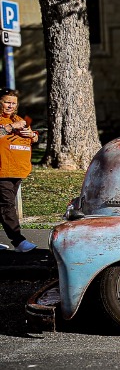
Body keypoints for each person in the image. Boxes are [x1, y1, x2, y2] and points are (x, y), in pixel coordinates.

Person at [0, 89, 40, 252]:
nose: (10, 106)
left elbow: (33, 138)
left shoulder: (19, 119)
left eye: (13, 103)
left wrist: (32, 135)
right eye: (7, 102)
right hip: (2, 171)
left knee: (3, 206)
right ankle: (18, 241)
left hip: (18, 170)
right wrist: (10, 127)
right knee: (7, 206)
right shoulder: (9, 122)